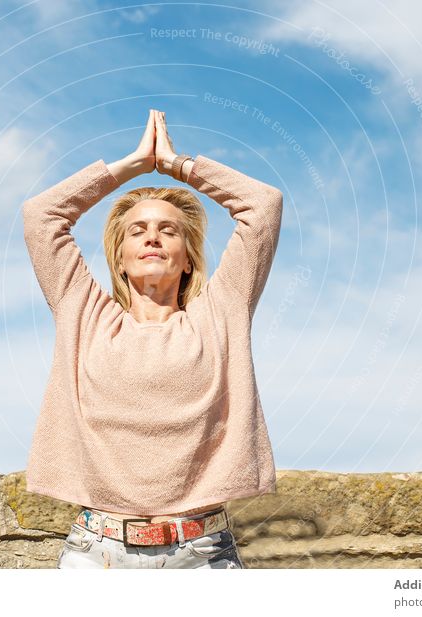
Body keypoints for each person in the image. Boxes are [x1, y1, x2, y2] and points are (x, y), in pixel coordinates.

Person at [22, 109, 283, 568]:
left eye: (168, 230)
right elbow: (41, 216)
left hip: (202, 555)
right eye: (137, 231)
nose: (152, 238)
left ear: (187, 258)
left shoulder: (222, 311)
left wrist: (179, 165)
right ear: (119, 258)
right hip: (94, 556)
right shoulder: (83, 312)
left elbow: (262, 206)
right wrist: (132, 167)